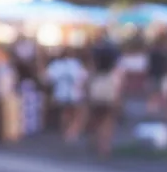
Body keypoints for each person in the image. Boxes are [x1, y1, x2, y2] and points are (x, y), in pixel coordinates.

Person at [88, 30, 123, 158]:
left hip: (97, 84)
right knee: (108, 119)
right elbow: (119, 73)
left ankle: (97, 142)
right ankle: (105, 146)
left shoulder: (96, 52)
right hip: (109, 84)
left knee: (97, 116)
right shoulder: (114, 53)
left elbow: (91, 69)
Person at [46, 48, 89, 142]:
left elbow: (49, 78)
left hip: (61, 93)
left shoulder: (56, 64)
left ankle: (65, 131)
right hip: (74, 93)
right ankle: (71, 132)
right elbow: (83, 77)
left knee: (65, 113)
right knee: (75, 113)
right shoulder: (76, 64)